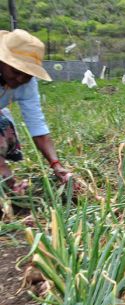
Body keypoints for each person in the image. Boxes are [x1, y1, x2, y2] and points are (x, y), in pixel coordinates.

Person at [0, 29, 72, 193]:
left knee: (4, 127)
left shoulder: (27, 85)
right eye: (16, 72)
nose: (20, 80)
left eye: (27, 75)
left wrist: (56, 165)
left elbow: (37, 126)